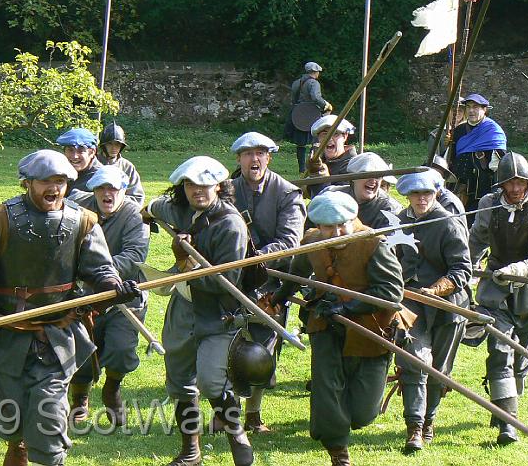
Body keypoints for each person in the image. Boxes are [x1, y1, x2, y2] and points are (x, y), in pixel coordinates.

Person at [0, 149, 140, 466]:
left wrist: (113, 288)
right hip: (5, 335)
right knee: (13, 416)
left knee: (48, 412)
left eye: (61, 181)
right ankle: (16, 447)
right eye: (46, 181)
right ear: (27, 183)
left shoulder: (83, 222)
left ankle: (51, 458)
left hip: (58, 335)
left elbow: (101, 270)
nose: (54, 188)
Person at [271, 190, 407, 466]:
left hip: (372, 329)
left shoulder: (374, 244)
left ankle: (340, 424)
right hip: (325, 323)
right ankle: (338, 452)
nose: (336, 232)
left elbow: (392, 294)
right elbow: (295, 275)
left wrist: (347, 308)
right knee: (327, 386)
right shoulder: (311, 242)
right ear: (318, 226)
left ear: (353, 219)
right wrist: (276, 298)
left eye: (342, 225)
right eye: (328, 227)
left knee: (363, 412)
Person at [145, 156, 254, 466]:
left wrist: (183, 263)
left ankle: (236, 433)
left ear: (218, 185)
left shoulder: (230, 225)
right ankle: (191, 451)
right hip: (183, 308)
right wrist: (148, 211)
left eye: (205, 185)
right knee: (180, 381)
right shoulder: (181, 210)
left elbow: (225, 282)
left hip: (218, 313)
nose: (198, 191)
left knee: (210, 382)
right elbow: (158, 206)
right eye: (191, 185)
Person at [229, 132, 306, 433]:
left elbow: (290, 241)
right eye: (248, 153)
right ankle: (229, 411)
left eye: (260, 153)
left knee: (261, 348)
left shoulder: (287, 193)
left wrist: (254, 258)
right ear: (239, 159)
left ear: (269, 157)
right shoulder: (226, 191)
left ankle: (253, 414)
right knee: (226, 343)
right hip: (231, 278)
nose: (254, 159)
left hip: (272, 281)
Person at [394, 171, 472, 452]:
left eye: (427, 193)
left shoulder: (448, 223)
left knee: (439, 370)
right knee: (415, 360)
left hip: (448, 306)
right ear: (408, 196)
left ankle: (429, 421)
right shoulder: (399, 222)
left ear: (436, 193)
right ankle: (414, 427)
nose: (421, 198)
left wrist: (437, 289)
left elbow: (463, 269)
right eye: (416, 194)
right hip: (411, 302)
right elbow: (394, 261)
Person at [67, 165, 150, 426]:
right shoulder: (76, 207)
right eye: (102, 188)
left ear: (124, 191)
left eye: (113, 189)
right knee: (79, 350)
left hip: (123, 295)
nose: (107, 194)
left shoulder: (134, 216)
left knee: (122, 349)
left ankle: (112, 388)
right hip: (82, 295)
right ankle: (79, 398)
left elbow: (134, 256)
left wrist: (97, 271)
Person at [468, 152, 528, 445]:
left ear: (527, 182)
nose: (514, 189)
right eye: (509, 183)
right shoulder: (488, 205)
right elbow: (475, 241)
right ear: (501, 185)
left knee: (520, 356)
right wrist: (466, 271)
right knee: (500, 349)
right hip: (494, 287)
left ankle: (503, 403)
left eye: (520, 182)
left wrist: (517, 269)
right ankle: (508, 426)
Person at [447, 93, 507, 223]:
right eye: (468, 107)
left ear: (484, 109)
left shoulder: (493, 130)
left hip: (481, 187)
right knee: (454, 221)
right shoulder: (459, 130)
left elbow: (500, 164)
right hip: (458, 183)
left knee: (477, 223)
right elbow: (450, 157)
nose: (471, 110)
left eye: (475, 107)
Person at [321, 152, 402, 229]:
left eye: (377, 176)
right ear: (352, 177)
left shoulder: (390, 208)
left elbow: (387, 241)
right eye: (367, 175)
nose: (373, 180)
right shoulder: (331, 196)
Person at [284, 61, 332, 174]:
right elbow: (315, 97)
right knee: (315, 141)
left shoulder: (296, 82)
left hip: (298, 114)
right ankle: (312, 165)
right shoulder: (314, 83)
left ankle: (301, 168)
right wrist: (325, 105)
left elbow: (294, 99)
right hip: (311, 114)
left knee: (300, 144)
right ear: (315, 72)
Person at [306, 114, 357, 198]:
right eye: (324, 134)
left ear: (345, 136)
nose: (329, 138)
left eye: (335, 134)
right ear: (319, 138)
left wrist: (321, 176)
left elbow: (332, 203)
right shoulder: (317, 161)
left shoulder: (353, 166)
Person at [97, 121, 146, 205]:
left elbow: (137, 197)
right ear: (103, 146)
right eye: (110, 144)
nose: (114, 148)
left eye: (117, 144)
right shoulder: (93, 163)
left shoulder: (127, 167)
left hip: (121, 213)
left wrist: (117, 199)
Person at [56, 127, 103, 194]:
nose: (75, 156)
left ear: (92, 152)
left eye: (81, 151)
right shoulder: (60, 171)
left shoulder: (100, 178)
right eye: (70, 150)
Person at [430, 155, 466, 224]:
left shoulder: (449, 203)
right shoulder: (421, 196)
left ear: (443, 179)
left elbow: (450, 230)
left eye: (436, 176)